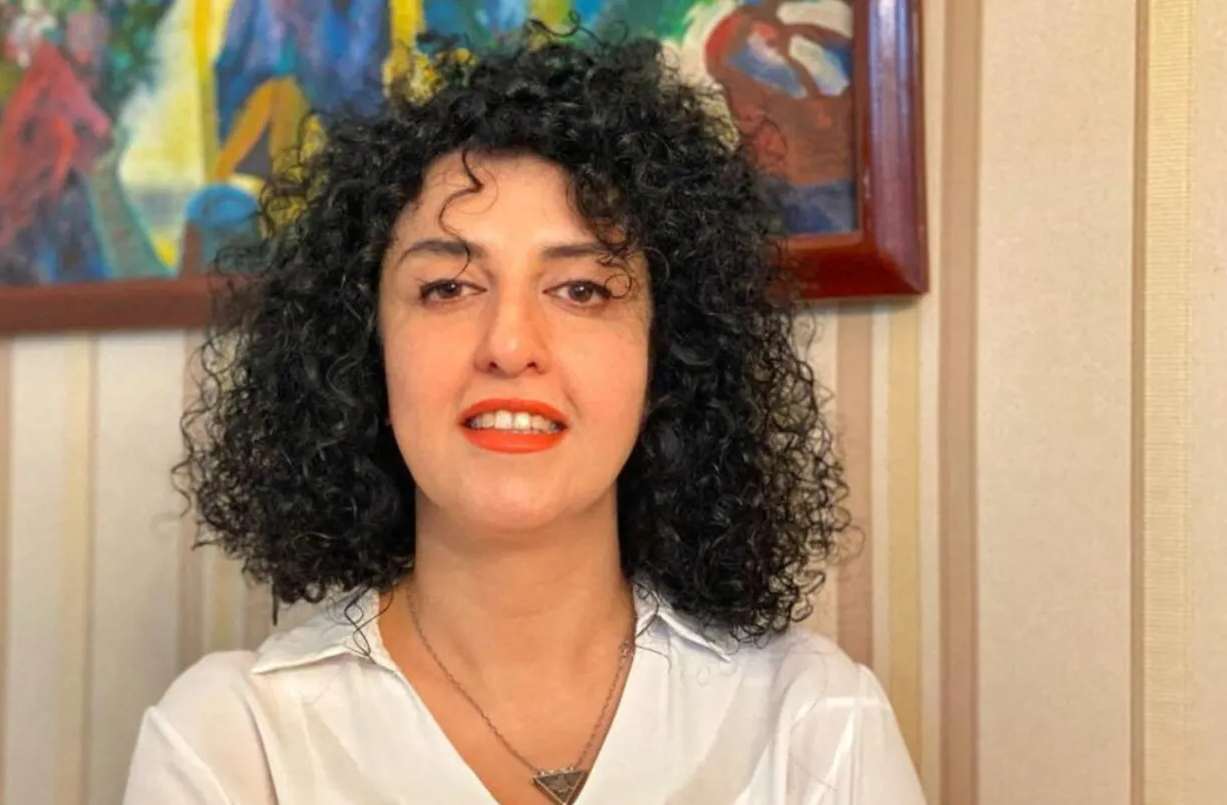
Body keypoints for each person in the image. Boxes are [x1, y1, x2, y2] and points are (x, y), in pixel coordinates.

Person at [123, 22, 926, 805]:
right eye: (448, 287)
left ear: (669, 356)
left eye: (581, 289)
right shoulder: (233, 741)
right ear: (363, 352)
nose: (509, 345)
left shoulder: (817, 720)